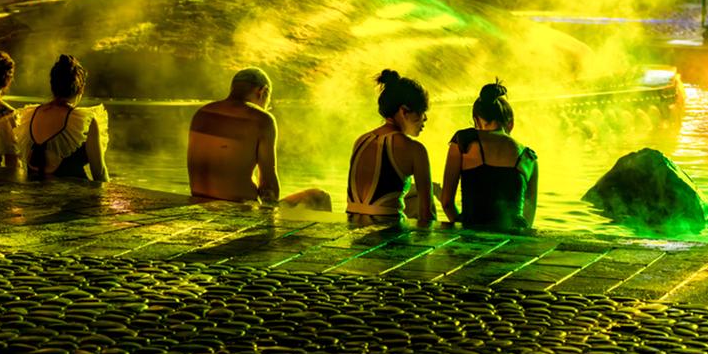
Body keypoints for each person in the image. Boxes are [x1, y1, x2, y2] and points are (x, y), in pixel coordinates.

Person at [187, 67, 331, 210]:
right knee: (319, 197)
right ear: (262, 91)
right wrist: (271, 216)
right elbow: (268, 185)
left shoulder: (201, 113)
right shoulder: (261, 119)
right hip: (239, 211)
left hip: (199, 204)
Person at [439, 81, 538, 232]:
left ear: (476, 120)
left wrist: (462, 226)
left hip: (471, 233)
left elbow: (446, 202)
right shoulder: (529, 158)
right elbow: (529, 215)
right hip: (513, 240)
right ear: (510, 124)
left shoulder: (463, 142)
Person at [346, 69, 435, 223]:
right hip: (388, 233)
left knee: (411, 196)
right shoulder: (415, 150)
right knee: (422, 200)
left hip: (352, 224)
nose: (425, 119)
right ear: (403, 111)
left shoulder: (361, 140)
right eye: (421, 112)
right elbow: (427, 214)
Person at [17, 54, 108, 180]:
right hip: (73, 196)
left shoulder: (29, 115)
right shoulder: (85, 121)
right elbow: (100, 172)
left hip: (34, 196)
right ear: (80, 89)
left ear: (52, 86)